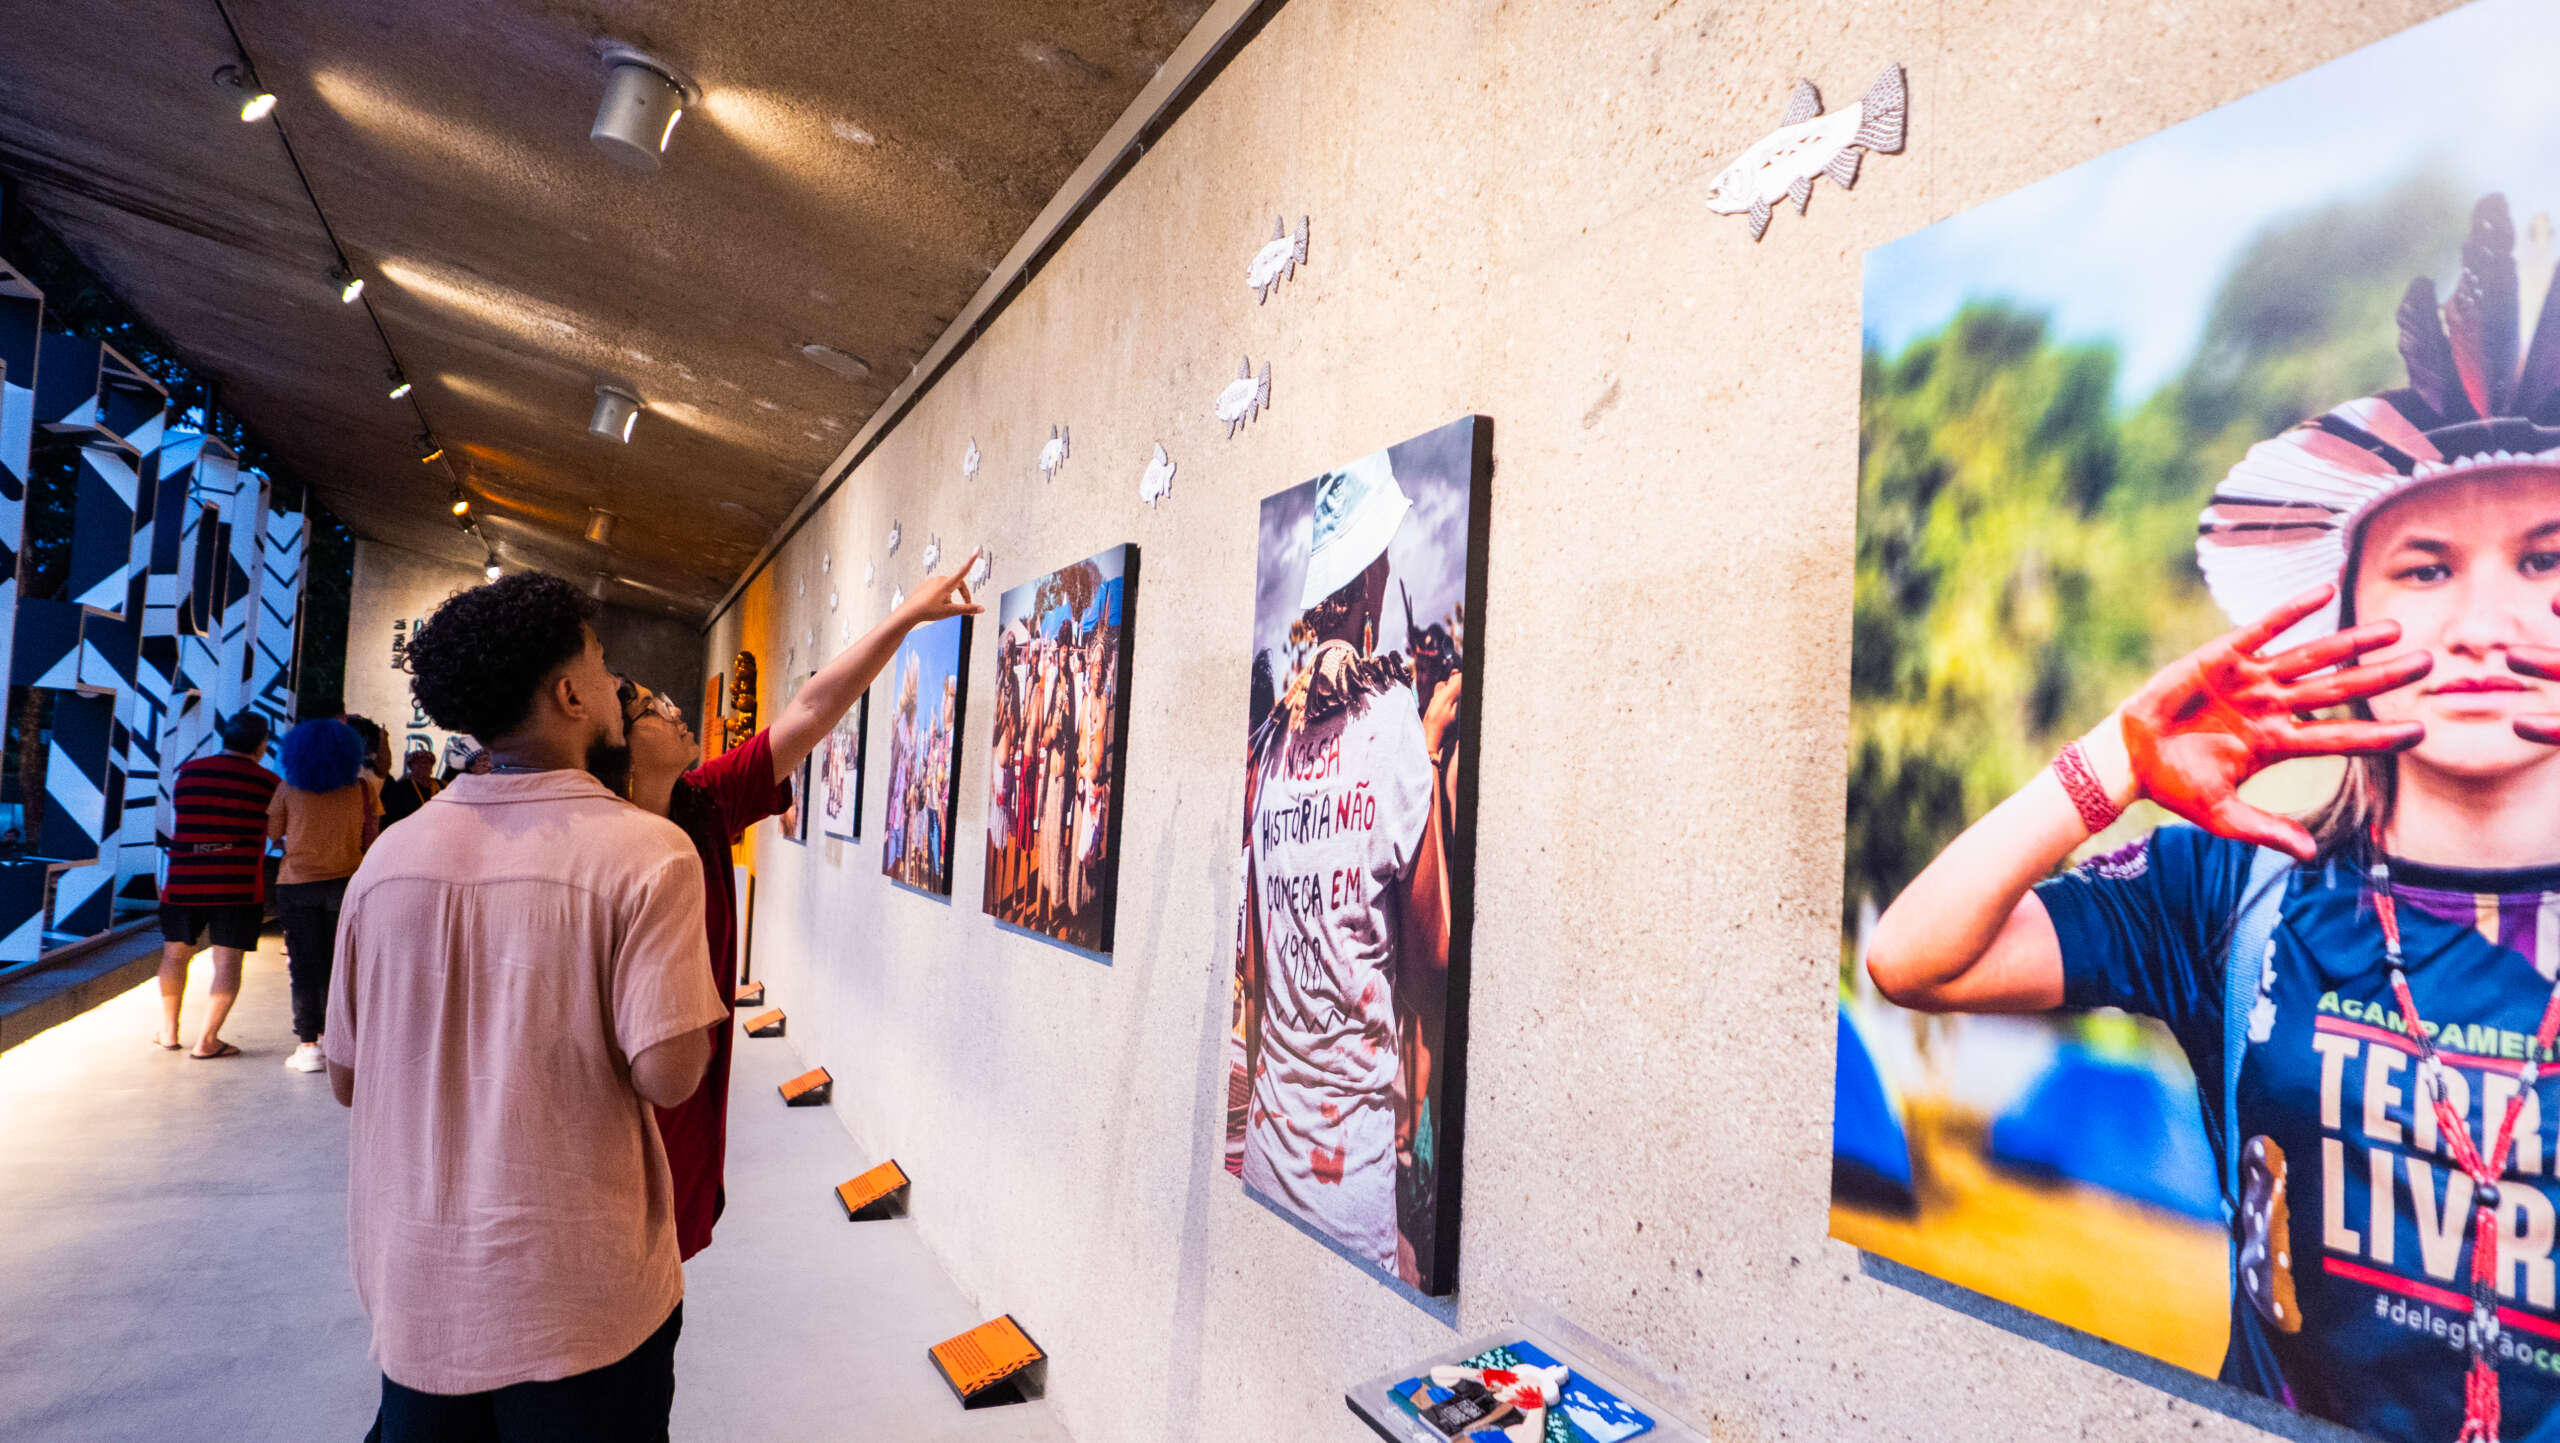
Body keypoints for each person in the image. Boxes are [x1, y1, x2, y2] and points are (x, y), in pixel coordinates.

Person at [1862, 196, 2560, 1442]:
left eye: (2546, 561)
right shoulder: (2237, 890)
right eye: (2425, 568)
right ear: (2346, 619)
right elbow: (1912, 956)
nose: (2481, 622)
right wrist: (2111, 764)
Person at [324, 572, 723, 1442]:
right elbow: (670, 1075)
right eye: (602, 659)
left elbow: (346, 1077)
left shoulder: (389, 857)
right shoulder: (651, 854)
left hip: (418, 1287)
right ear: (570, 692)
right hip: (579, 1295)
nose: (618, 680)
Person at [616, 552, 979, 1261]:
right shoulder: (593, 845)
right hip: (611, 1131)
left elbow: (811, 712)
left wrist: (905, 617)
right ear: (613, 741)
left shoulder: (704, 803)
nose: (673, 709)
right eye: (650, 709)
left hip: (683, 1127)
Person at [1238, 453, 1462, 1287]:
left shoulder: (1270, 747)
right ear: (1374, 577)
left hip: (1266, 1151)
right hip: (1350, 1178)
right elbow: (1433, 965)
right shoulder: (1396, 730)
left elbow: (1257, 969)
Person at [155, 710, 277, 1059]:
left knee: (175, 955)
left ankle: (168, 1032)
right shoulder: (268, 784)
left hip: (184, 880)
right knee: (227, 962)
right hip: (236, 886)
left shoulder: (188, 774)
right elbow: (274, 832)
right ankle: (208, 1040)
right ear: (261, 744)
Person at [267, 718, 376, 1074]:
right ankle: (339, 1039)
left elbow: (274, 835)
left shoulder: (287, 788)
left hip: (297, 883)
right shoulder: (362, 789)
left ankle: (308, 1045)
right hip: (346, 882)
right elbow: (371, 838)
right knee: (341, 964)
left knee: (303, 964)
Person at [378, 748, 441, 826]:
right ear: (411, 767)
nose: (423, 765)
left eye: (427, 762)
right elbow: (393, 816)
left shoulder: (441, 786)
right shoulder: (401, 788)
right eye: (418, 763)